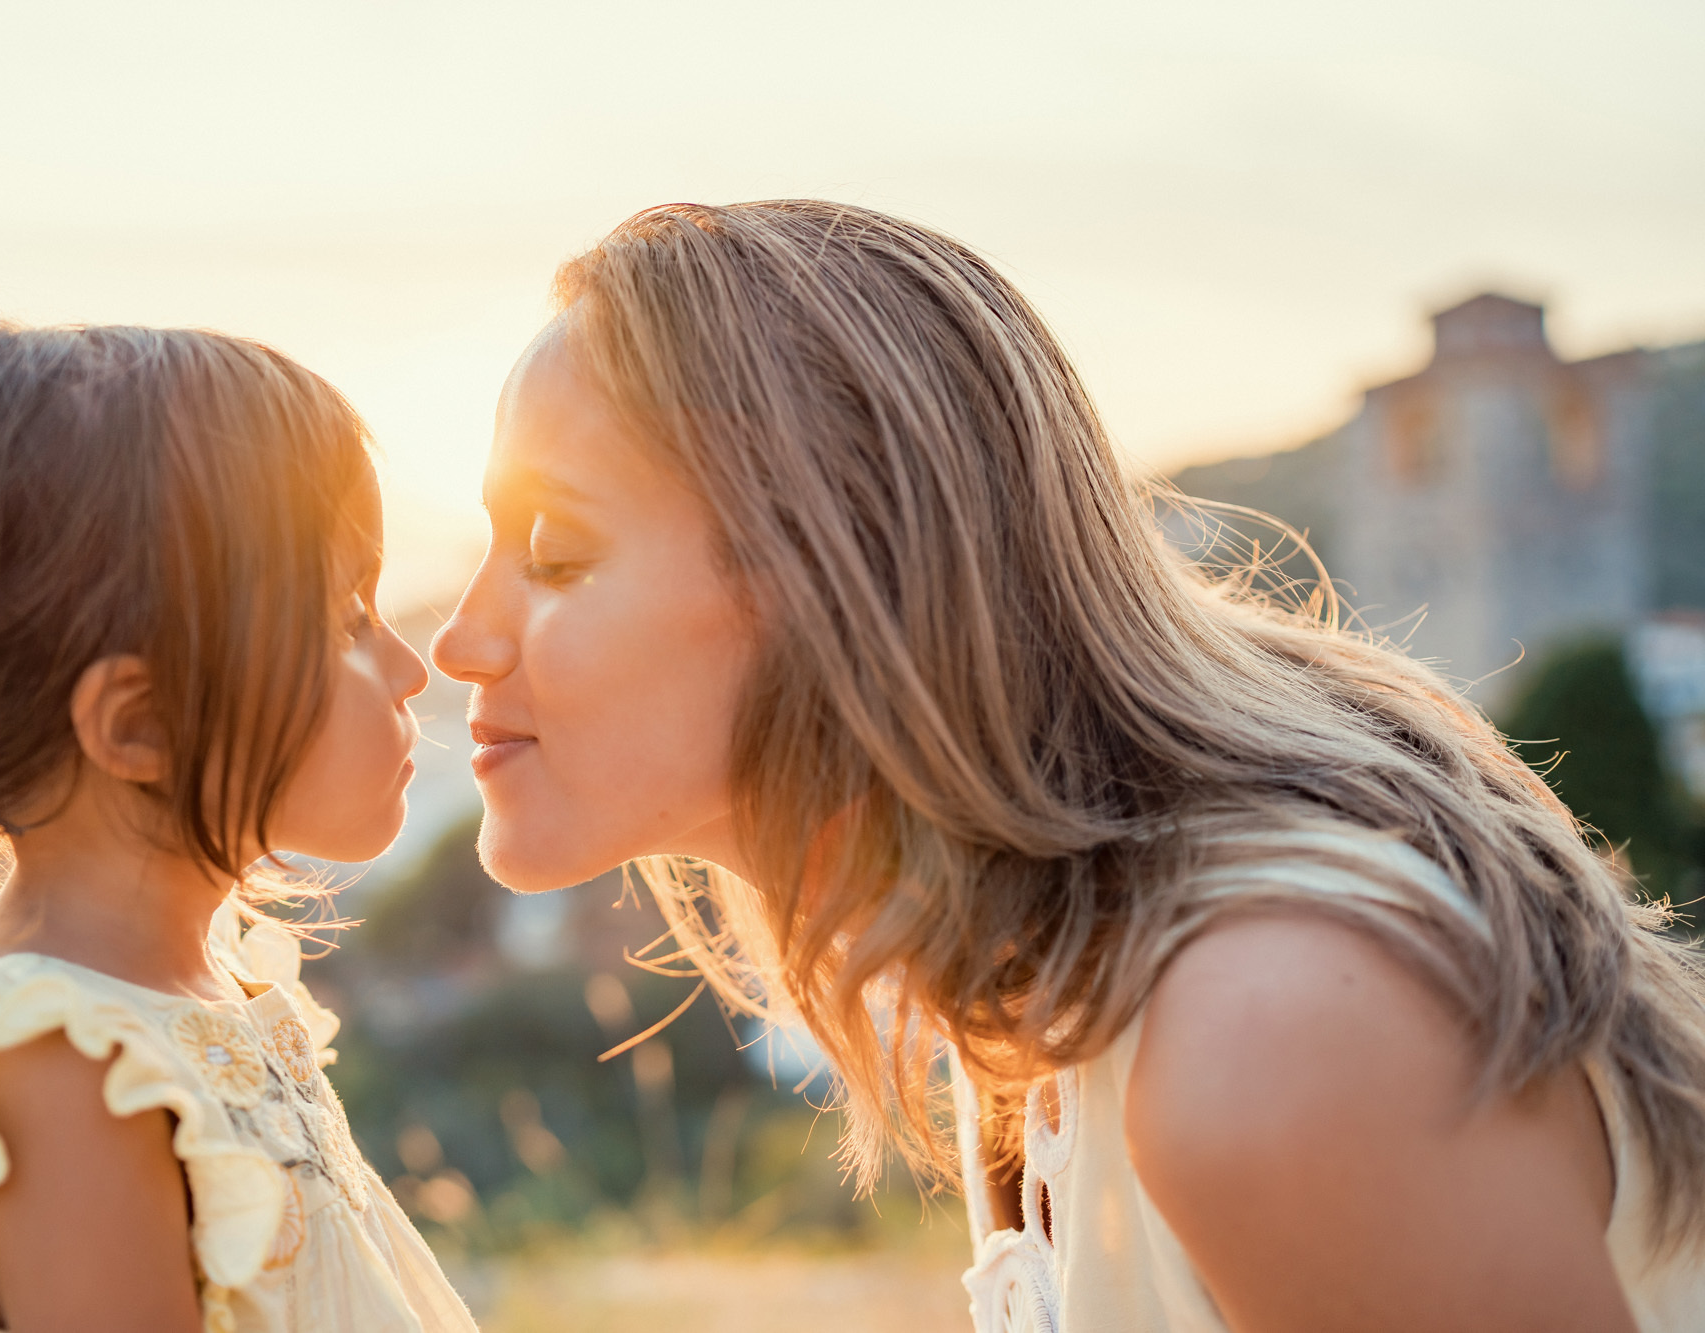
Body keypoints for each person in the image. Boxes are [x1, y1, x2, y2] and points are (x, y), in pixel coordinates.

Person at [430, 199, 1705, 1331]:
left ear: (833, 572)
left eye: (554, 552)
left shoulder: (1268, 1037)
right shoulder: (1035, 999)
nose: (458, 641)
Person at [0, 321, 476, 1333]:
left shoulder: (187, 998)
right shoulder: (66, 1074)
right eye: (347, 622)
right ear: (141, 723)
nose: (411, 667)